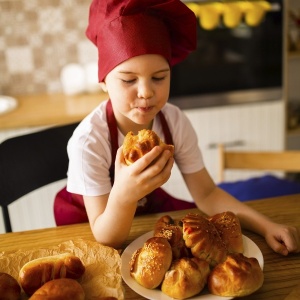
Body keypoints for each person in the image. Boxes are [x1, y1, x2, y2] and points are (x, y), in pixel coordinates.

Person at [62, 0, 300, 253]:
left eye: (159, 77)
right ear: (104, 82)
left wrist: (266, 227)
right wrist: (123, 195)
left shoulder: (174, 122)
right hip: (91, 226)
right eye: (129, 79)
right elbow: (107, 239)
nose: (146, 92)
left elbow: (207, 194)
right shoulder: (89, 141)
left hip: (145, 213)